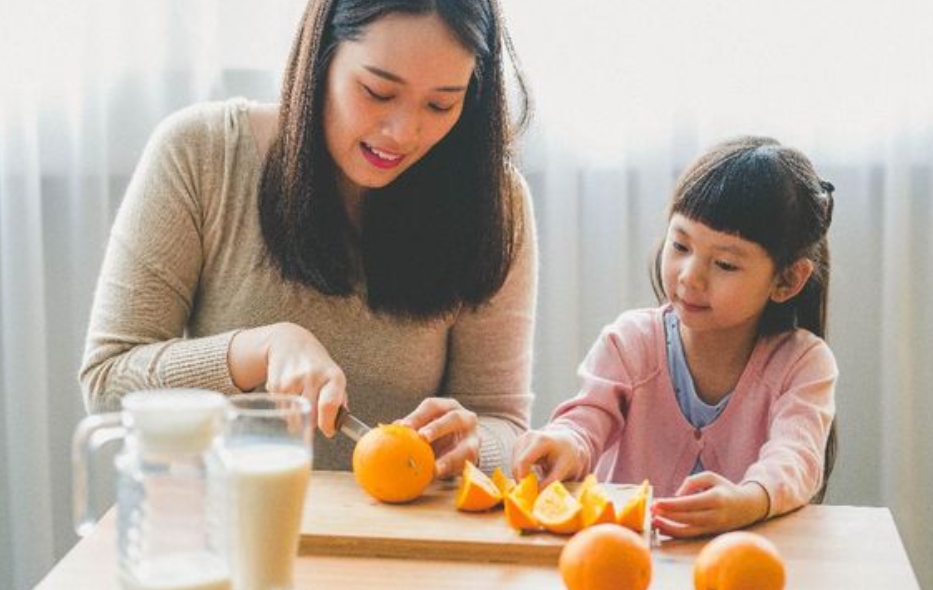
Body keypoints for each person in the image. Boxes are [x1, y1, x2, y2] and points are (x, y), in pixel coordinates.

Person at [79, 0, 536, 479]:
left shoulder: (493, 203)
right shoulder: (201, 154)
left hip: (403, 539)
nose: (404, 132)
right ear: (321, 57)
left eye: (442, 103)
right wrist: (259, 351)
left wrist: (474, 442)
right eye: (377, 91)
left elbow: (503, 422)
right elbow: (108, 384)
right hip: (227, 533)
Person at [512, 137, 837, 538]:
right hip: (623, 558)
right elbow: (586, 419)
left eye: (724, 264)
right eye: (680, 244)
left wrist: (750, 499)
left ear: (787, 279)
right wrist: (566, 441)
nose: (689, 276)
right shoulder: (631, 342)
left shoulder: (802, 364)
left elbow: (796, 457)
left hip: (733, 567)